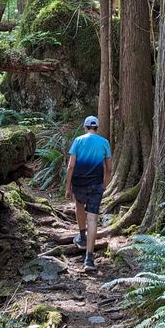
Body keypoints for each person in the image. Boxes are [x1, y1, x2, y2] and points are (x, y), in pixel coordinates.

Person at [64, 115, 111, 272]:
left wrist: (67, 186)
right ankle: (89, 259)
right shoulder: (104, 142)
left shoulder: (78, 141)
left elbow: (71, 166)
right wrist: (105, 183)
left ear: (85, 127)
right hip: (96, 185)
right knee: (93, 218)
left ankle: (82, 236)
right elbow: (109, 168)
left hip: (79, 183)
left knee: (78, 204)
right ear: (97, 128)